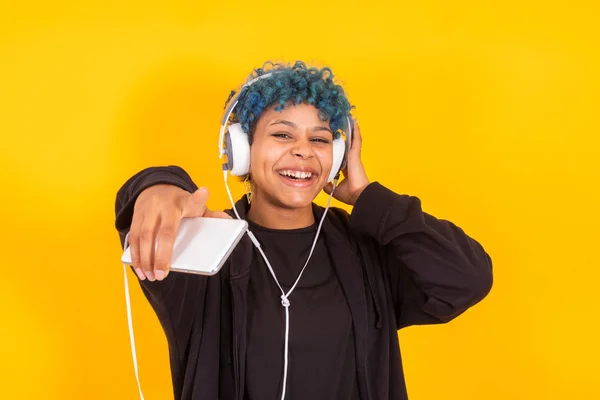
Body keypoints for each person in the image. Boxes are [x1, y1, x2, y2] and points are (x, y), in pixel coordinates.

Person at [114, 61, 493, 400]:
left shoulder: (367, 252)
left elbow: (466, 277)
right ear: (241, 149)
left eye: (320, 139)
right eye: (282, 135)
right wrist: (158, 186)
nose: (303, 151)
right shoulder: (202, 243)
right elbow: (147, 211)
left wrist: (367, 197)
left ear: (338, 157)